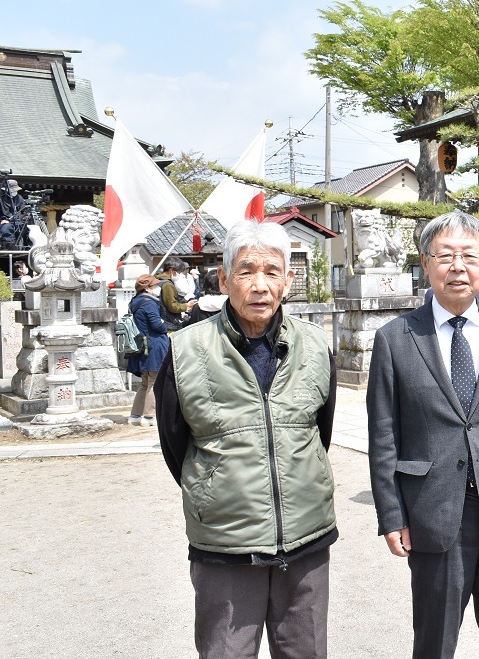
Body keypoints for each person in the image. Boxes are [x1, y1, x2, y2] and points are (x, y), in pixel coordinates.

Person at [367, 211, 479, 659]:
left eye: (470, 256)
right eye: (445, 256)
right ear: (426, 263)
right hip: (432, 509)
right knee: (433, 641)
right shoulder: (395, 338)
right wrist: (392, 514)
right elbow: (383, 435)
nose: (458, 267)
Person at [155, 220, 338, 659]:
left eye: (272, 271)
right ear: (224, 279)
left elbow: (320, 434)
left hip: (306, 536)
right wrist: (218, 487)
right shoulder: (184, 351)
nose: (260, 285)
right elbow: (174, 443)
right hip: (225, 542)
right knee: (225, 652)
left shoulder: (315, 346)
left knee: (305, 652)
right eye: (246, 271)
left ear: (288, 281)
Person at [126, 274, 170, 427]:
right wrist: (166, 326)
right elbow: (156, 325)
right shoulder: (149, 303)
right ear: (147, 287)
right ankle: (149, 416)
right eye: (154, 285)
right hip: (153, 345)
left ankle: (135, 415)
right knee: (154, 382)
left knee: (145, 382)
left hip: (142, 346)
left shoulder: (135, 302)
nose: (158, 288)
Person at [156, 257, 196, 330]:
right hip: (168, 323)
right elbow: (172, 306)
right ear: (172, 270)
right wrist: (186, 306)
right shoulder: (167, 284)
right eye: (179, 272)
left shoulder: (158, 279)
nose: (180, 275)